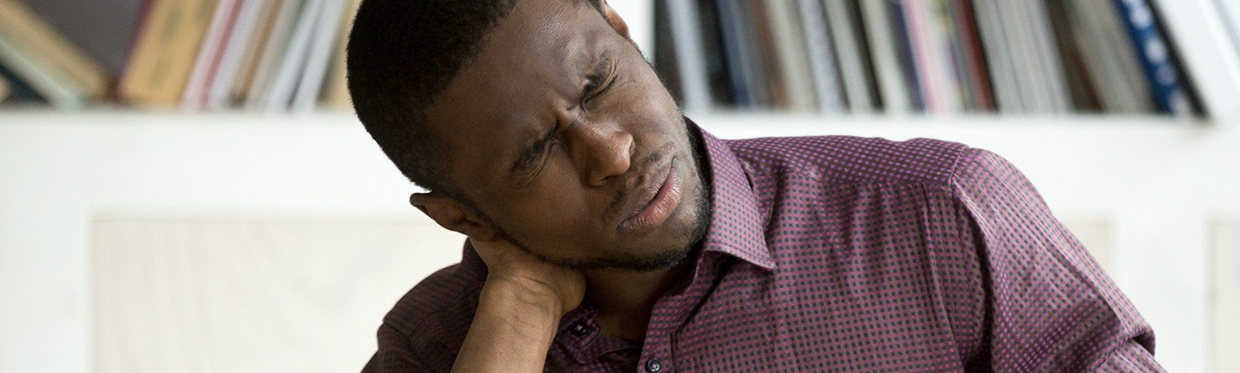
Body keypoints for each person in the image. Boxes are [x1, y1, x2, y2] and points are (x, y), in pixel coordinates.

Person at [347, 0, 1162, 371]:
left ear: (621, 31)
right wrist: (519, 315)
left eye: (599, 82)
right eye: (533, 154)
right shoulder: (437, 345)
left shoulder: (941, 215)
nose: (612, 151)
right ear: (458, 212)